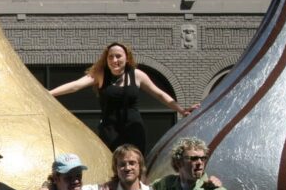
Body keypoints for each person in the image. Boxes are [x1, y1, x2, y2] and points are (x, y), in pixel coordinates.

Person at [47, 42, 197, 154]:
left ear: (127, 58)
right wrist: (49, 93)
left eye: (118, 56)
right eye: (110, 57)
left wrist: (181, 110)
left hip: (133, 128)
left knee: (134, 163)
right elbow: (75, 85)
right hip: (109, 129)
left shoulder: (137, 75)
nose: (114, 60)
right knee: (111, 164)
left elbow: (159, 94)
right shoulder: (100, 75)